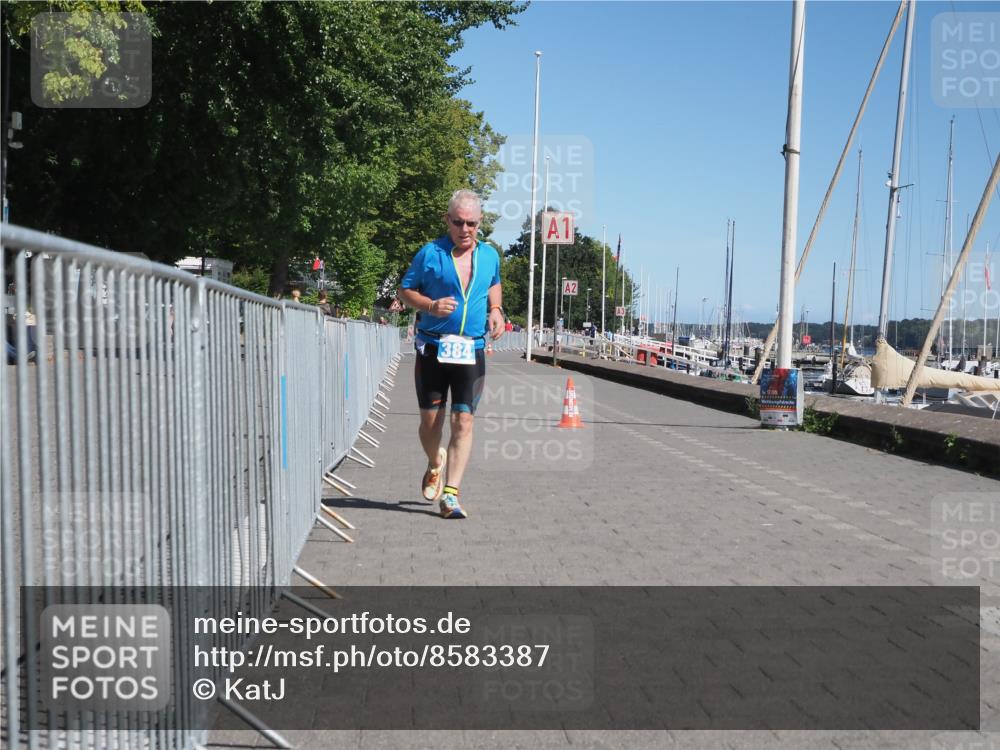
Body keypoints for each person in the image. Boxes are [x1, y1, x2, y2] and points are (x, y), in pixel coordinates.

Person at [398, 189, 504, 519]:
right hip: (433, 347)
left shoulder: (490, 255)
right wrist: (430, 305)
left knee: (464, 421)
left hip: (471, 349)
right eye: (458, 222)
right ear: (447, 220)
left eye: (471, 223)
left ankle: (452, 494)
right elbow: (404, 290)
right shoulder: (429, 254)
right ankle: (435, 461)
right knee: (431, 425)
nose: (465, 229)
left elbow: (493, 283)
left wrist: (497, 309)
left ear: (480, 223)